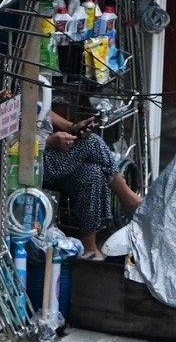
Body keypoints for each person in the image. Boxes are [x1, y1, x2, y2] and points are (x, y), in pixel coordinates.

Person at [42, 106, 145, 261]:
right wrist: (48, 142)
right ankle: (129, 199)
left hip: (50, 155)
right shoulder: (13, 90)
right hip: (33, 160)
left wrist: (72, 128)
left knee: (93, 173)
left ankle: (89, 245)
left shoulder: (29, 90)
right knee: (92, 142)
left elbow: (42, 112)